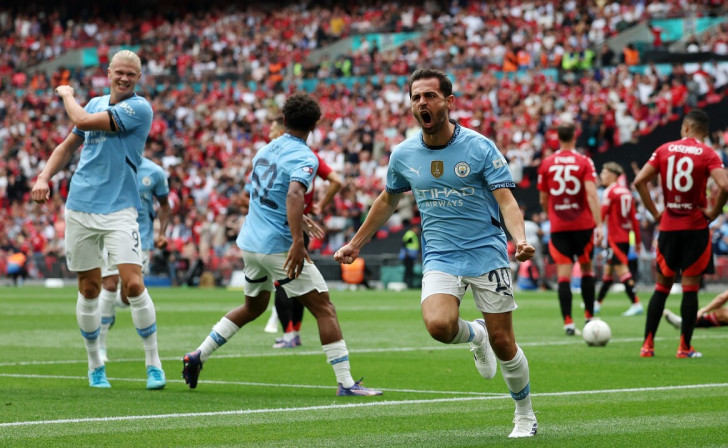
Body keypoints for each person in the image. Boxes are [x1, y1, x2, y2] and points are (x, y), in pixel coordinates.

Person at [335, 68, 537, 438]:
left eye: (429, 95)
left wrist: (519, 238)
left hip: (487, 253)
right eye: (415, 97)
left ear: (448, 102)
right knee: (439, 326)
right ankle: (475, 336)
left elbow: (506, 201)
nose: (422, 103)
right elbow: (387, 200)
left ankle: (524, 413)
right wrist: (355, 243)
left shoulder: (479, 147)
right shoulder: (404, 153)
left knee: (505, 343)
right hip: (441, 256)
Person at [182, 93, 381, 397]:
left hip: (250, 243)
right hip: (278, 246)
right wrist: (298, 242)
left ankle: (197, 355)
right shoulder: (305, 157)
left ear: (284, 121)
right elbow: (292, 195)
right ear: (315, 125)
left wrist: (300, 219)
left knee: (253, 307)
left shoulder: (262, 152)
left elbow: (269, 196)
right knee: (325, 308)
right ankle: (346, 383)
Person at [30, 50, 165, 389]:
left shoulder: (139, 108)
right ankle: (95, 365)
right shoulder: (94, 102)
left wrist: (66, 94)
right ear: (109, 72)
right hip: (80, 206)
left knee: (133, 283)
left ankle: (154, 363)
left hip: (120, 208)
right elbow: (66, 146)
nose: (124, 78)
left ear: (138, 77)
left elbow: (84, 122)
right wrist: (44, 177)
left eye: (130, 74)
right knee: (89, 288)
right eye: (119, 72)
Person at [632, 109, 728, 359]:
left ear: (685, 127)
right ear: (704, 132)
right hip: (695, 227)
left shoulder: (664, 149)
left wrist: (656, 213)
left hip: (668, 226)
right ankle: (684, 347)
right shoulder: (708, 153)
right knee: (690, 288)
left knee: (661, 287)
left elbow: (639, 181)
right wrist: (714, 212)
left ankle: (647, 346)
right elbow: (725, 186)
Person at [262, 114, 343, 349]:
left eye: (272, 131)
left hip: (285, 226)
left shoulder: (281, 156)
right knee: (296, 280)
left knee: (283, 281)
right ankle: (293, 333)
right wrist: (319, 205)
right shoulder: (310, 156)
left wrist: (317, 206)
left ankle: (289, 334)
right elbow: (336, 181)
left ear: (282, 131)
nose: (269, 135)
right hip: (301, 226)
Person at [97, 156, 171, 362]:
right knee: (109, 285)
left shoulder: (154, 172)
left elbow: (165, 205)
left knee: (129, 292)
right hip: (110, 233)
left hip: (141, 238)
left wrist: (162, 233)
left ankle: (109, 310)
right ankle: (101, 346)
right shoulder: (109, 163)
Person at [537, 122, 603, 336]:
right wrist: (599, 224)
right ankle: (589, 318)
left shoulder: (547, 163)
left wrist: (551, 214)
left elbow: (543, 198)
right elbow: (592, 194)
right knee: (586, 270)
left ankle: (567, 322)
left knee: (564, 275)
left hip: (559, 226)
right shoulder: (584, 161)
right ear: (575, 137)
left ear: (557, 138)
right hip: (583, 225)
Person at [595, 162, 644, 317]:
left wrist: (596, 230)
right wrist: (637, 241)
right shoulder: (627, 192)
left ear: (612, 175)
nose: (602, 176)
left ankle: (636, 303)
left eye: (604, 173)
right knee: (608, 272)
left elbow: (603, 213)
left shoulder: (610, 192)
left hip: (615, 238)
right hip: (624, 237)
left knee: (622, 270)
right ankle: (597, 303)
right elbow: (634, 219)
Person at [400, 222, 420, 288]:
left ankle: (408, 285)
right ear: (413, 228)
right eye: (416, 229)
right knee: (408, 271)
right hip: (408, 256)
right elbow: (404, 244)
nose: (417, 231)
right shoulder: (410, 234)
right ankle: (407, 285)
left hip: (410, 256)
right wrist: (406, 253)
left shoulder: (412, 235)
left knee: (409, 271)